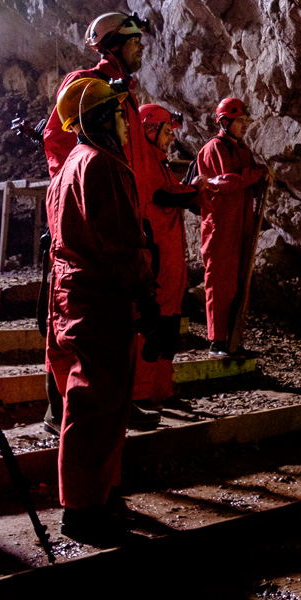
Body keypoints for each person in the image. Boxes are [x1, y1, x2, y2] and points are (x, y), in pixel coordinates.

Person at [46, 77, 158, 544]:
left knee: (99, 401)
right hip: (101, 296)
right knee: (96, 401)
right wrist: (146, 296)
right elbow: (121, 240)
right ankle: (82, 509)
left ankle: (96, 497)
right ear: (99, 118)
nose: (127, 124)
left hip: (76, 294)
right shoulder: (103, 165)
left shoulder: (72, 163)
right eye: (119, 114)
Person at [42, 12, 162, 433]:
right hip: (89, 218)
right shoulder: (88, 86)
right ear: (112, 44)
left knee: (115, 318)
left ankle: (116, 400)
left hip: (119, 211)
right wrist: (72, 207)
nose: (141, 47)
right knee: (75, 320)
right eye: (133, 40)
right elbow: (58, 141)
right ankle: (61, 407)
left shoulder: (121, 93)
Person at [130, 104, 207, 414]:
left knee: (170, 325)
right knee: (156, 325)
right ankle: (140, 391)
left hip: (171, 256)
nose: (169, 139)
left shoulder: (158, 161)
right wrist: (192, 190)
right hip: (158, 254)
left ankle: (161, 389)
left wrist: (191, 192)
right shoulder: (145, 161)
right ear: (150, 131)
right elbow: (160, 197)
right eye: (165, 132)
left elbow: (171, 194)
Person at [196, 97, 270, 357]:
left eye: (245, 121)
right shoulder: (214, 148)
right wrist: (255, 174)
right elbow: (226, 182)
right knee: (220, 282)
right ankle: (217, 341)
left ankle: (233, 340)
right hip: (220, 225)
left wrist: (260, 176)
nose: (244, 125)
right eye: (240, 121)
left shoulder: (242, 150)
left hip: (240, 224)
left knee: (238, 282)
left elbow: (245, 181)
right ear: (224, 121)